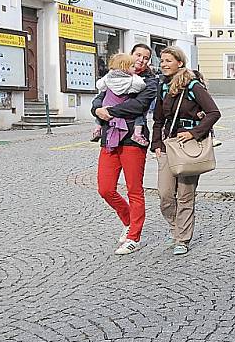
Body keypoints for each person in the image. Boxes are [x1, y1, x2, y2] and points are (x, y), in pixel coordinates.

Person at [151, 47, 221, 255]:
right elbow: (158, 119)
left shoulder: (193, 86)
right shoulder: (162, 87)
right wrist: (156, 144)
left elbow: (213, 113)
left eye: (168, 61)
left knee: (185, 195)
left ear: (179, 63)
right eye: (162, 60)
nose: (163, 64)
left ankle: (182, 238)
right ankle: (177, 228)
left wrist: (194, 133)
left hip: (189, 145)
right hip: (167, 145)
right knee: (164, 195)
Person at [92, 44, 158, 255]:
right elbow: (99, 97)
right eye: (138, 55)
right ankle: (130, 220)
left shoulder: (149, 81)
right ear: (130, 55)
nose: (141, 60)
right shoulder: (113, 75)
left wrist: (107, 111)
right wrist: (96, 109)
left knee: (134, 189)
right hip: (110, 136)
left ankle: (134, 237)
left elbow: (138, 106)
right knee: (105, 188)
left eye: (146, 58)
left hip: (133, 141)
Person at [92, 53, 149, 147]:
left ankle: (97, 129)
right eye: (132, 66)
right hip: (123, 105)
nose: (135, 68)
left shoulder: (108, 76)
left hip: (108, 103)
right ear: (125, 67)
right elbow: (140, 87)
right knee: (139, 116)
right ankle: (137, 134)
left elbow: (100, 86)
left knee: (101, 113)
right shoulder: (131, 79)